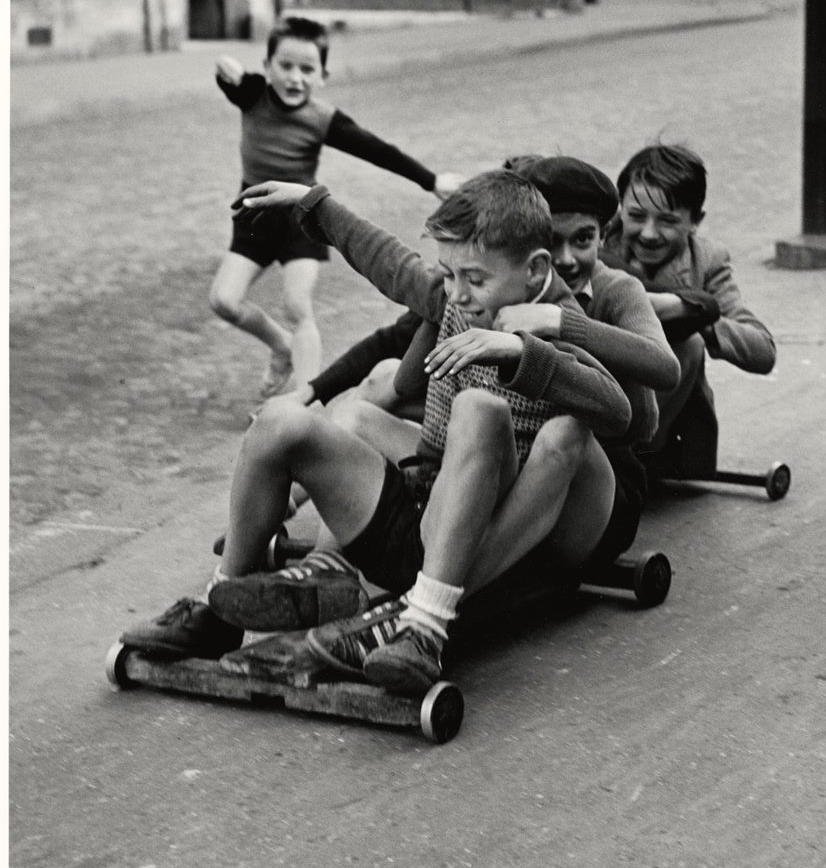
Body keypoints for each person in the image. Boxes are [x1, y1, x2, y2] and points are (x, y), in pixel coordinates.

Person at [121, 171, 632, 693]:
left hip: (490, 534)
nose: (458, 295)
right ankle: (219, 609)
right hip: (421, 509)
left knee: (480, 408)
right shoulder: (455, 297)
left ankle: (423, 630)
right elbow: (387, 261)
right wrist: (316, 206)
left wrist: (524, 352)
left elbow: (617, 410)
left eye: (475, 280)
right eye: (449, 275)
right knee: (280, 422)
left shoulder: (556, 321)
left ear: (535, 270)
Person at [210, 14, 458, 399]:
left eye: (307, 69)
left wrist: (431, 180)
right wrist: (225, 74)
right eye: (286, 66)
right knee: (223, 300)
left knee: (297, 306)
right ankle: (281, 346)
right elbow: (233, 83)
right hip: (253, 217)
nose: (295, 78)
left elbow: (377, 150)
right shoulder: (253, 94)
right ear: (267, 68)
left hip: (300, 218)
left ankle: (302, 403)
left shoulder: (322, 119)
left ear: (322, 75)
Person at [602, 141, 776, 477]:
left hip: (661, 420)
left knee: (688, 344)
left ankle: (632, 458)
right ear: (619, 208)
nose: (649, 234)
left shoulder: (708, 260)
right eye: (636, 216)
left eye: (667, 220)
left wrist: (692, 316)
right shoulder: (594, 240)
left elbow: (763, 350)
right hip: (602, 388)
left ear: (696, 221)